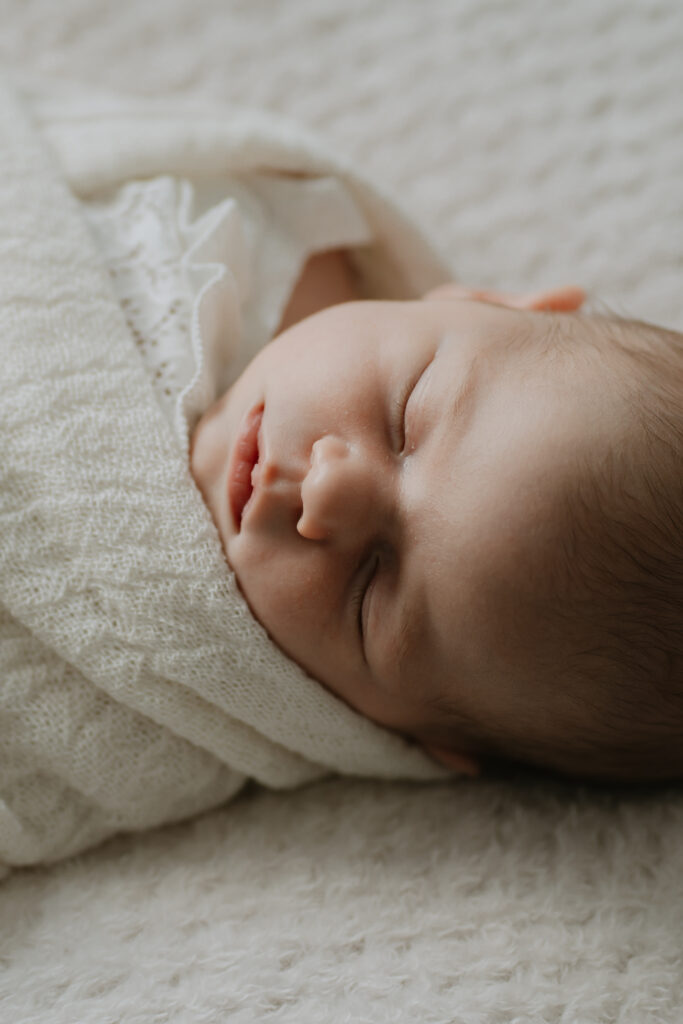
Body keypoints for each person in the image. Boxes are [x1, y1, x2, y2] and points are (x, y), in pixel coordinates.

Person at [189, 250, 683, 783]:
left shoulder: (188, 728)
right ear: (478, 300)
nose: (326, 488)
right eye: (405, 412)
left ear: (408, 739)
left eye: (367, 593)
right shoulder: (248, 248)